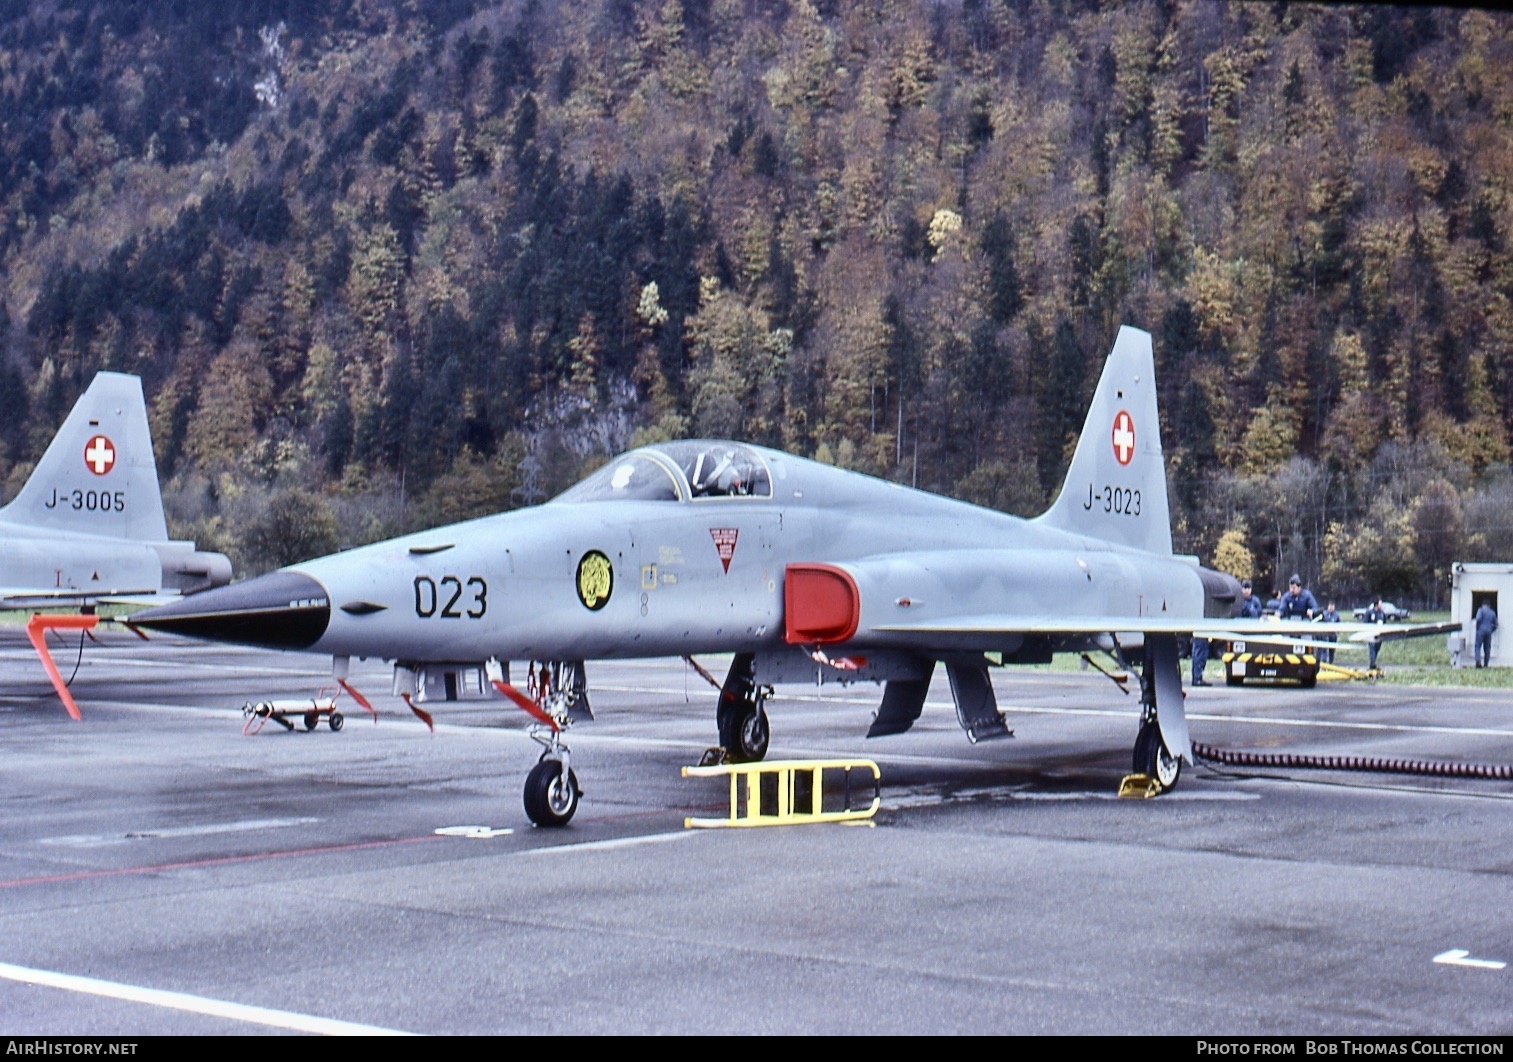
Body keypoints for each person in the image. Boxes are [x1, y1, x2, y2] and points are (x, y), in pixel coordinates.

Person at [1363, 596, 1388, 670]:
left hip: (1379, 634)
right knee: (1372, 648)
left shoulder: (1382, 613)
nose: (1382, 605)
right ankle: (1373, 663)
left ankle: (1372, 662)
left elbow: (1385, 623)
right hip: (1371, 634)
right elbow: (1365, 623)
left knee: (1377, 649)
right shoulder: (1369, 612)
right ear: (1376, 604)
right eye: (1380, 603)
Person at [1474, 600, 1499, 668]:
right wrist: (1491, 630)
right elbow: (1496, 625)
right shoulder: (1492, 612)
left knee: (1477, 646)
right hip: (1488, 632)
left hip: (1480, 631)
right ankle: (1486, 664)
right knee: (1487, 648)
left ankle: (1478, 661)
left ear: (1483, 604)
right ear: (1489, 605)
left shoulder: (1480, 610)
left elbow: (1478, 619)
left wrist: (1477, 627)